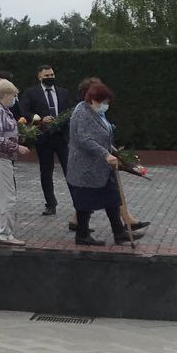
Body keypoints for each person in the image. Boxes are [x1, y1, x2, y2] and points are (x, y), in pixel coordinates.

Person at [66, 81, 135, 246]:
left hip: (101, 167)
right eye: (104, 102)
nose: (106, 105)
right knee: (84, 203)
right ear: (94, 100)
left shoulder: (95, 112)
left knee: (112, 197)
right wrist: (105, 154)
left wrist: (114, 151)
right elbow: (84, 139)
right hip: (85, 168)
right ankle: (82, 236)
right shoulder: (81, 112)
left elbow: (102, 136)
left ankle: (119, 233)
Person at [0, 78, 32, 246]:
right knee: (9, 197)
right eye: (14, 95)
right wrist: (17, 147)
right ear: (7, 94)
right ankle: (5, 234)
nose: (15, 99)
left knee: (2, 193)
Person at [19, 64, 72, 216]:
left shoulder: (63, 92)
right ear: (39, 76)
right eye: (47, 76)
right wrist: (40, 119)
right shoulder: (31, 92)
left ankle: (78, 202)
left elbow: (70, 110)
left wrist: (62, 121)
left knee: (69, 170)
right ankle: (50, 204)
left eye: (52, 75)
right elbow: (24, 110)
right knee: (46, 172)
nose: (50, 78)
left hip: (61, 137)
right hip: (44, 138)